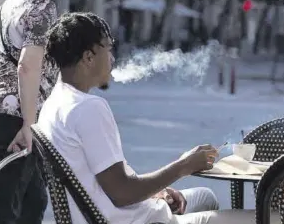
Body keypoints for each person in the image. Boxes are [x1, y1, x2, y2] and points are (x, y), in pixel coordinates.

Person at [38, 12, 240, 224]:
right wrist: (183, 166)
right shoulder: (88, 108)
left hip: (112, 212)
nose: (112, 58)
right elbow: (122, 192)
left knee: (205, 196)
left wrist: (155, 192)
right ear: (89, 57)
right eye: (108, 49)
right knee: (263, 217)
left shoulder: (54, 102)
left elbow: (106, 181)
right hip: (132, 220)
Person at [0, 0, 66, 224]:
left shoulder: (9, 4)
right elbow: (27, 66)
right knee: (4, 205)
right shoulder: (42, 8)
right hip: (13, 115)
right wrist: (29, 124)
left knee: (32, 200)